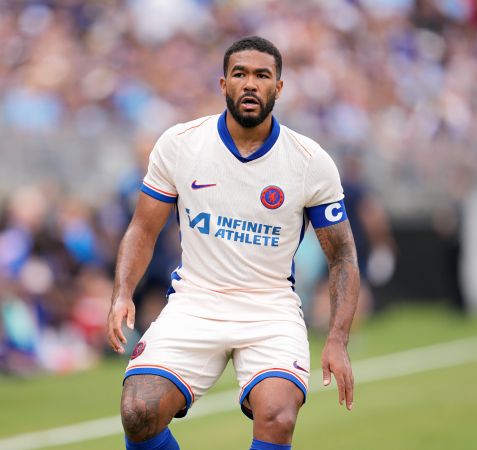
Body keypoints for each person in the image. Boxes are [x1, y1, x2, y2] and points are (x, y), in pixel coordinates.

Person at [107, 36, 360, 450]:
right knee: (138, 414)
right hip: (195, 301)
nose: (250, 84)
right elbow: (142, 228)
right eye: (240, 74)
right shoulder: (180, 143)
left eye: (262, 75)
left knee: (277, 417)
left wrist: (337, 339)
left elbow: (342, 255)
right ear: (223, 84)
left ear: (278, 88)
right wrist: (122, 293)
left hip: (270, 308)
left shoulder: (309, 161)